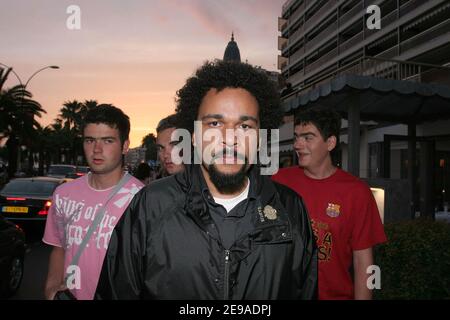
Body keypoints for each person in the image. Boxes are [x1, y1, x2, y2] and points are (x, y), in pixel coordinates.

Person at [95, 60, 317, 299]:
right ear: (193, 136)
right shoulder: (151, 206)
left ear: (261, 138)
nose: (230, 139)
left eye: (244, 125)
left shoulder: (290, 208)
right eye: (214, 123)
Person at [272, 108, 387, 300]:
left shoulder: (357, 192)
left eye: (308, 137)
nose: (298, 145)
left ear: (330, 143)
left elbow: (365, 263)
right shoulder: (278, 182)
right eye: (297, 137)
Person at [42, 105, 144, 300]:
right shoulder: (63, 194)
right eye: (90, 140)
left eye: (107, 140)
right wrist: (52, 286)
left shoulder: (142, 199)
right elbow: (59, 247)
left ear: (124, 146)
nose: (97, 150)